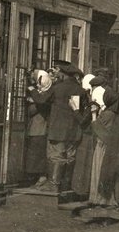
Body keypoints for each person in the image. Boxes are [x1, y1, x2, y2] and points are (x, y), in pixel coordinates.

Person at [28, 60, 88, 193]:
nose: (56, 74)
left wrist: (32, 90)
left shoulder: (57, 88)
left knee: (56, 156)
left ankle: (54, 184)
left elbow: (41, 100)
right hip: (74, 131)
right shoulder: (80, 90)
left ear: (63, 73)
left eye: (58, 72)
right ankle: (65, 185)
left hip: (58, 130)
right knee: (70, 157)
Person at [89, 88, 119, 206]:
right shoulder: (117, 113)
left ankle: (100, 198)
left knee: (100, 169)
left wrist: (93, 114)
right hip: (112, 145)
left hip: (103, 145)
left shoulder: (108, 114)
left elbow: (96, 127)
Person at [25, 69, 52, 188]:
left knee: (37, 154)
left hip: (39, 128)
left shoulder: (43, 95)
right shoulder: (44, 93)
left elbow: (34, 109)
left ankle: (40, 176)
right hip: (38, 127)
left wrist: (32, 101)